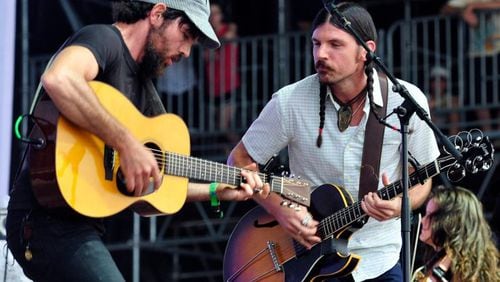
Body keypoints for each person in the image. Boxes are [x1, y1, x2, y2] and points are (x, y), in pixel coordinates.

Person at [6, 1, 269, 281]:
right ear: (157, 14)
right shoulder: (104, 39)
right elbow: (59, 78)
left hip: (82, 229)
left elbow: (151, 195)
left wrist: (216, 190)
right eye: (185, 34)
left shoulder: (144, 91)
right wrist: (126, 144)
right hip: (44, 222)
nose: (186, 51)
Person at [228, 2, 440, 281]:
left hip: (380, 259)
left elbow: (424, 175)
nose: (321, 54)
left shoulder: (405, 102)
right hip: (307, 257)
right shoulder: (289, 101)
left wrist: (402, 203)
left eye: (335, 45)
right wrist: (280, 211)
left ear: (367, 51)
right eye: (316, 43)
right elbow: (239, 161)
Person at [413, 186, 500, 281]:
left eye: (430, 216)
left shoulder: (460, 272)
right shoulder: (437, 257)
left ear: (449, 223)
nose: (422, 220)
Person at [441, 0, 500, 133]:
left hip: (498, 49)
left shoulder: (472, 3)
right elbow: (446, 9)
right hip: (477, 53)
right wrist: (463, 12)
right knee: (478, 93)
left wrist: (473, 7)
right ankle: (488, 132)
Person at [204, 1, 240, 144]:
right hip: (212, 88)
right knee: (216, 129)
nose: (213, 17)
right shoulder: (206, 35)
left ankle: (244, 156)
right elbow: (207, 57)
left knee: (222, 127)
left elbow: (229, 37)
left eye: (216, 14)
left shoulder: (228, 28)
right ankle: (229, 159)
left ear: (221, 15)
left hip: (228, 84)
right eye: (210, 14)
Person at [428, 66, 460, 135]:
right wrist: (441, 102)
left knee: (453, 110)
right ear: (431, 83)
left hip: (446, 129)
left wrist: (436, 103)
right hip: (430, 130)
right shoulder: (425, 96)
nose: (438, 83)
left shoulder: (449, 97)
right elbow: (427, 106)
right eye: (434, 80)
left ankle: (453, 141)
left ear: (446, 84)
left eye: (441, 80)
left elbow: (456, 101)